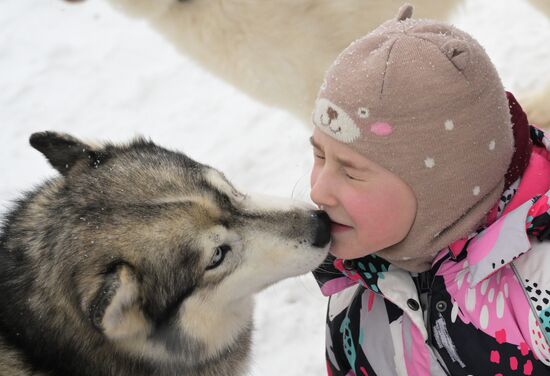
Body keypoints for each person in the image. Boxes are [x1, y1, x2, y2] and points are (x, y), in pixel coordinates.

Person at [310, 4, 550, 375]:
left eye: (352, 172)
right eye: (319, 155)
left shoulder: (540, 279)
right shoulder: (356, 283)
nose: (318, 191)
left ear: (441, 187)